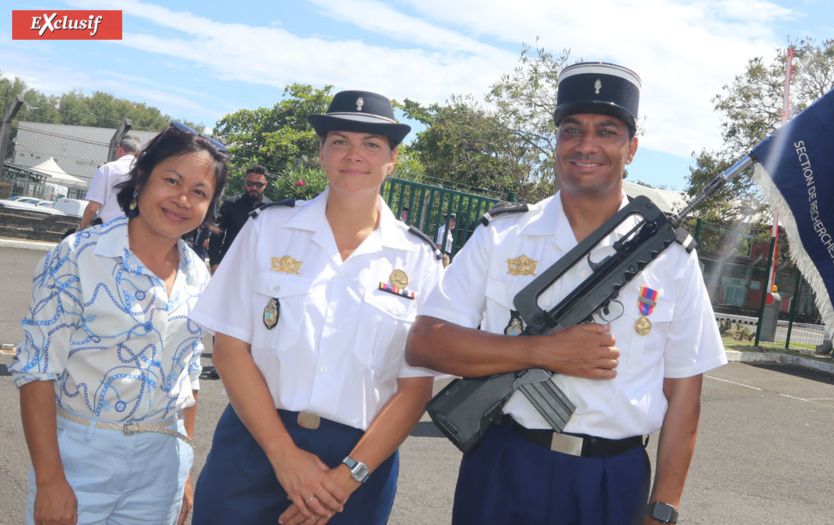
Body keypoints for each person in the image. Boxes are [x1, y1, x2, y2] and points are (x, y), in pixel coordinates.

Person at [405, 62, 727, 525]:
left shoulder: (672, 258)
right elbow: (426, 341)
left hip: (614, 481)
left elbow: (684, 393)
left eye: (607, 131)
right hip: (507, 464)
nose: (586, 144)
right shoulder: (504, 234)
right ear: (557, 141)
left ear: (631, 148)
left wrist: (664, 508)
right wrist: (542, 351)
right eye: (572, 129)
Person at [189, 90, 445, 525]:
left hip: (358, 469)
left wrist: (346, 479)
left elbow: (414, 387)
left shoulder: (419, 259)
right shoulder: (266, 231)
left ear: (392, 160)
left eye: (371, 145)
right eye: (340, 141)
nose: (354, 155)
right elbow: (230, 348)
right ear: (322, 154)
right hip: (254, 448)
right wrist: (284, 455)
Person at [11, 121, 228, 525]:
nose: (182, 198)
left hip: (162, 465)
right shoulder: (78, 256)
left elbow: (189, 377)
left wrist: (184, 470)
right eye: (172, 180)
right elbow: (37, 370)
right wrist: (50, 479)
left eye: (199, 192)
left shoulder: (198, 275)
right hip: (80, 455)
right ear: (142, 178)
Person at [208, 164, 271, 274]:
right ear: (245, 182)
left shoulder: (270, 209)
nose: (254, 188)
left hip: (256, 267)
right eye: (250, 183)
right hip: (228, 261)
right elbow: (217, 233)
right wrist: (214, 262)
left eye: (259, 185)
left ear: (265, 185)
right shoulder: (231, 204)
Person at [79, 134, 142, 230]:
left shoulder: (107, 169)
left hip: (108, 231)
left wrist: (80, 228)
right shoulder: (145, 174)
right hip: (135, 233)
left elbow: (92, 208)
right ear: (138, 154)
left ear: (119, 148)